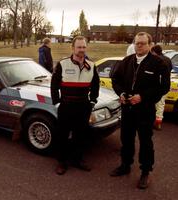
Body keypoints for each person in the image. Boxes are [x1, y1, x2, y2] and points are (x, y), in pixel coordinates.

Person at [110, 32, 170, 189]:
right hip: (128, 109)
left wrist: (143, 97)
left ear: (150, 45)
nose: (139, 46)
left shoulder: (159, 63)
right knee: (126, 139)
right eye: (137, 43)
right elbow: (115, 79)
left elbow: (164, 87)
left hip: (145, 110)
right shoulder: (127, 61)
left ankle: (145, 171)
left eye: (143, 43)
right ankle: (125, 165)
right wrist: (121, 93)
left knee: (145, 142)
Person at [51, 36, 100, 175]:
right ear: (72, 48)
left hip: (83, 106)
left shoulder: (91, 65)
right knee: (63, 135)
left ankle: (77, 160)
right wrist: (57, 102)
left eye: (84, 47)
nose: (81, 50)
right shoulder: (63, 64)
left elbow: (95, 85)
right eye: (79, 47)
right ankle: (62, 162)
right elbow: (54, 85)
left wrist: (93, 100)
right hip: (66, 105)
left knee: (80, 135)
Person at [151, 45, 173, 130]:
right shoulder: (168, 59)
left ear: (154, 52)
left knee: (154, 104)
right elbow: (169, 70)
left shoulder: (156, 60)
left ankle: (155, 123)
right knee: (161, 104)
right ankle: (158, 122)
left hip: (157, 86)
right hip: (166, 85)